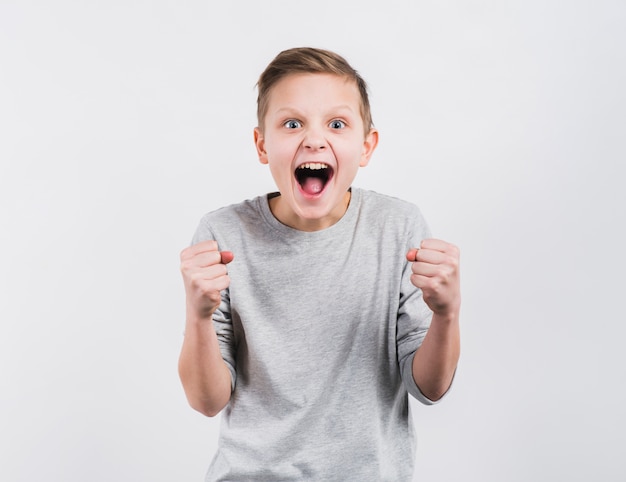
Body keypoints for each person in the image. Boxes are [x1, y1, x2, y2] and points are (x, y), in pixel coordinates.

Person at [178, 47, 461, 481]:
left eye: (337, 124)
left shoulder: (398, 227)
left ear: (366, 146)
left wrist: (447, 314)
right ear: (262, 145)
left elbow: (429, 388)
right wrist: (197, 316)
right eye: (292, 124)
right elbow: (206, 401)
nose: (313, 139)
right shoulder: (223, 233)